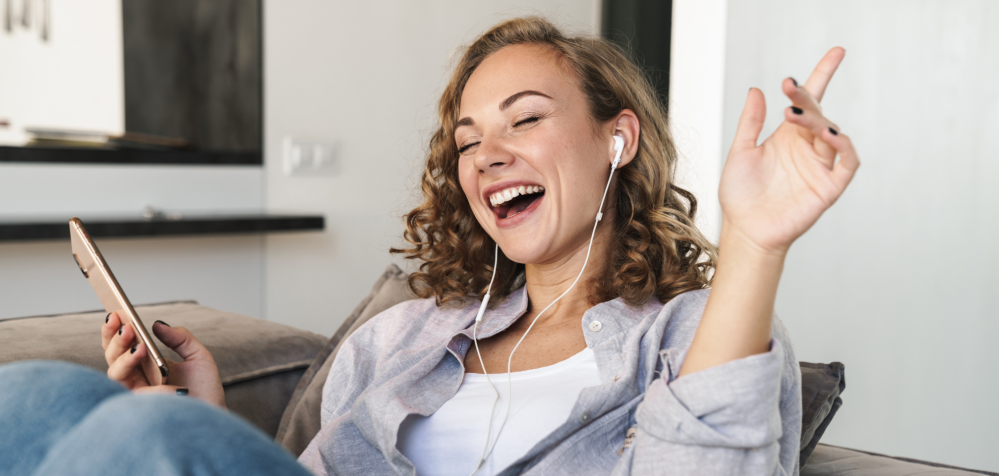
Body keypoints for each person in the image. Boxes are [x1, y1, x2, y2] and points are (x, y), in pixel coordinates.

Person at [0, 17, 858, 476]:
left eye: (526, 118)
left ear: (617, 139)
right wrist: (208, 421)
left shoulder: (689, 337)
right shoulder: (401, 338)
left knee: (144, 442)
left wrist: (753, 240)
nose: (487, 153)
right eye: (468, 137)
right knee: (35, 396)